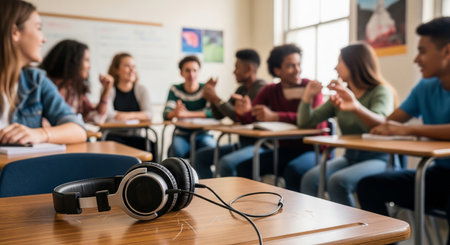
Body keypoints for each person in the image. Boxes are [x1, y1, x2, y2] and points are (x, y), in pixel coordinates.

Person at [357, 17, 450, 244]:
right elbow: (387, 123)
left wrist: (411, 131)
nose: (416, 59)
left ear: (447, 51)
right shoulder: (425, 87)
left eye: (422, 51)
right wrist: (356, 106)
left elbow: (403, 128)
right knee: (370, 187)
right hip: (440, 175)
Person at [298, 42, 397, 206]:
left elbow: (381, 123)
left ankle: (350, 230)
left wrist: (356, 107)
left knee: (338, 182)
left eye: (340, 62)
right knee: (310, 179)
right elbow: (305, 122)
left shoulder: (380, 91)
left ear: (355, 64)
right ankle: (313, 227)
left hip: (380, 159)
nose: (336, 68)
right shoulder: (342, 95)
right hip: (350, 157)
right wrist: (308, 96)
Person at [218, 44, 325, 188]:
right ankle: (250, 209)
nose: (297, 70)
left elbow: (314, 121)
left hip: (314, 150)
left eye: (298, 65)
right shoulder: (271, 90)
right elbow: (251, 117)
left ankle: (294, 210)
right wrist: (243, 113)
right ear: (277, 70)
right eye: (291, 66)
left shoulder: (311, 87)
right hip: (285, 150)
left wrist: (276, 116)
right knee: (244, 168)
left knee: (292, 170)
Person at [0, 0, 86, 145]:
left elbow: (78, 130)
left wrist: (40, 134)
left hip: (19, 167)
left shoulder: (36, 80)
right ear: (15, 32)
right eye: (38, 28)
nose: (44, 39)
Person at [196, 49, 267, 178]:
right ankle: (211, 192)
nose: (234, 71)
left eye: (237, 67)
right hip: (242, 144)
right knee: (200, 157)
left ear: (249, 69)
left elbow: (239, 117)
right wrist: (212, 98)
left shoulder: (261, 89)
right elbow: (220, 115)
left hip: (260, 145)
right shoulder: (241, 89)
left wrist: (216, 98)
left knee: (226, 163)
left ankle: (228, 196)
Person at [40, 39, 114, 124]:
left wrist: (106, 90)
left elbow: (96, 118)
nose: (89, 66)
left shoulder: (73, 91)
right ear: (72, 61)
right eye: (86, 60)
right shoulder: (44, 85)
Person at [163, 56, 216, 158]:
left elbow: (212, 113)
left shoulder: (206, 89)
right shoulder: (175, 89)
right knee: (175, 151)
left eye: (194, 70)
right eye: (187, 70)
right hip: (182, 135)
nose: (191, 74)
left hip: (204, 134)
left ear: (199, 72)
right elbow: (166, 114)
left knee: (213, 150)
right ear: (181, 73)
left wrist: (185, 114)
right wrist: (175, 113)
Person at [105, 53, 156, 157]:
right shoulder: (109, 89)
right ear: (117, 70)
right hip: (113, 136)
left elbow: (149, 114)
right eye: (127, 66)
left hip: (134, 136)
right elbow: (108, 115)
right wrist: (139, 116)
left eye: (134, 66)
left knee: (151, 145)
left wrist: (128, 116)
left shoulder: (141, 90)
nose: (132, 70)